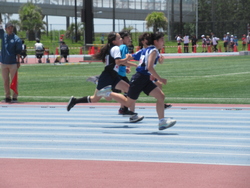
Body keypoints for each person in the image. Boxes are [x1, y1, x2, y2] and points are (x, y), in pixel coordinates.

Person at [96, 32, 177, 130]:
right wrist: (160, 79)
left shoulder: (148, 50)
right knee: (128, 103)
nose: (163, 42)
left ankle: (162, 122)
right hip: (139, 79)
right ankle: (107, 93)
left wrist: (127, 58)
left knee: (161, 96)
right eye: (162, 40)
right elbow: (149, 67)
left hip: (145, 78)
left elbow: (134, 57)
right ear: (155, 41)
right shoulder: (153, 51)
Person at [66, 32, 143, 122]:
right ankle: (77, 100)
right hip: (108, 76)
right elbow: (118, 62)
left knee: (129, 90)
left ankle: (131, 113)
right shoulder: (115, 48)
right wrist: (127, 58)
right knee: (95, 99)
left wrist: (133, 65)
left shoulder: (114, 48)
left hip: (113, 75)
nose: (121, 39)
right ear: (114, 41)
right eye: (119, 38)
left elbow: (118, 62)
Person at [0, 22, 22, 103]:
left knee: (14, 81)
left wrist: (18, 62)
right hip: (3, 62)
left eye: (11, 28)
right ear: (6, 29)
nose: (10, 29)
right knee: (5, 80)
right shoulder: (3, 36)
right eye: (9, 28)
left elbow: (18, 52)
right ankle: (7, 96)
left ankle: (15, 97)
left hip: (13, 63)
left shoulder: (16, 39)